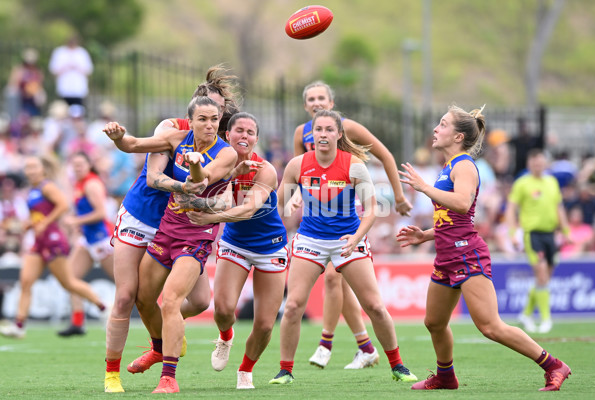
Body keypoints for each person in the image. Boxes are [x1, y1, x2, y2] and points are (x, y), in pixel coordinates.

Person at [396, 105, 571, 391]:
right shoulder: (448, 166)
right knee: (434, 322)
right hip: (447, 254)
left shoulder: (464, 165)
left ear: (458, 137)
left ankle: (554, 365)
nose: (436, 129)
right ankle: (445, 376)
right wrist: (426, 235)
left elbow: (463, 203)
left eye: (442, 124)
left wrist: (424, 187)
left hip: (467, 254)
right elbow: (454, 218)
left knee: (490, 326)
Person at [100, 66, 240, 393]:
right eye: (203, 114)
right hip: (146, 218)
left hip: (189, 229)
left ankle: (168, 358)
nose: (209, 119)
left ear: (222, 115)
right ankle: (117, 372)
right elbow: (146, 168)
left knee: (192, 302)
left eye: (216, 114)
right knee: (132, 297)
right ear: (190, 114)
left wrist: (197, 177)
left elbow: (206, 182)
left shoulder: (229, 148)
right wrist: (120, 137)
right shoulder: (172, 131)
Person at [269, 109, 417, 385]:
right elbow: (280, 201)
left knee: (373, 305)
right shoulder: (297, 164)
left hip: (347, 239)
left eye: (328, 129)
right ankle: (285, 370)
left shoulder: (354, 165)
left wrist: (356, 238)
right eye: (318, 130)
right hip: (310, 240)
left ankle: (398, 366)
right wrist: (287, 202)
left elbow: (372, 210)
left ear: (339, 134)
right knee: (292, 306)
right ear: (311, 135)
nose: (322, 134)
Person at [186, 112, 288, 389]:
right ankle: (225, 336)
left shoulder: (265, 169)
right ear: (227, 135)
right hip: (235, 244)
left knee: (266, 324)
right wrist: (230, 176)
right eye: (239, 130)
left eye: (250, 132)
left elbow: (248, 209)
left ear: (256, 139)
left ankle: (245, 370)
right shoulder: (219, 165)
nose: (245, 135)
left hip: (270, 247)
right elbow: (208, 195)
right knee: (223, 309)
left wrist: (210, 218)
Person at [0, 156, 106, 339]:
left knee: (68, 282)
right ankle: (19, 325)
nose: (30, 170)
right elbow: (39, 215)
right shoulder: (33, 189)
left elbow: (63, 205)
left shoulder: (47, 187)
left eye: (34, 167)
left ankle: (103, 306)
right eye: (28, 167)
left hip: (53, 240)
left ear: (43, 170)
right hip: (39, 242)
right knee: (26, 281)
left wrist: (45, 223)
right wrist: (29, 224)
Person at [505, 149, 571, 334]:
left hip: (550, 235)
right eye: (534, 163)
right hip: (532, 234)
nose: (538, 166)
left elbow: (559, 208)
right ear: (529, 164)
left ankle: (526, 313)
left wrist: (566, 231)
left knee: (545, 277)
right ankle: (545, 319)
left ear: (545, 164)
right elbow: (511, 209)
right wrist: (512, 232)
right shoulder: (522, 183)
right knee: (542, 274)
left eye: (540, 163)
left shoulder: (552, 182)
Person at [58, 151, 114, 337]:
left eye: (81, 164)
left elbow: (100, 213)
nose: (77, 167)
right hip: (88, 239)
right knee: (70, 279)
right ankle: (78, 322)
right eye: (74, 165)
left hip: (101, 238)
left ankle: (110, 311)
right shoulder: (79, 184)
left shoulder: (91, 183)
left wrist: (75, 221)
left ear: (89, 165)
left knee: (124, 282)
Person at [48, 35, 93, 106]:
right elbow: (53, 69)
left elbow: (88, 70)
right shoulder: (59, 52)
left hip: (78, 88)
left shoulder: (82, 53)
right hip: (64, 88)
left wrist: (77, 67)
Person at [6, 48, 46, 118]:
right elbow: (13, 84)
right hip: (20, 98)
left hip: (32, 99)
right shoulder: (19, 70)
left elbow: (40, 84)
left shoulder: (37, 71)